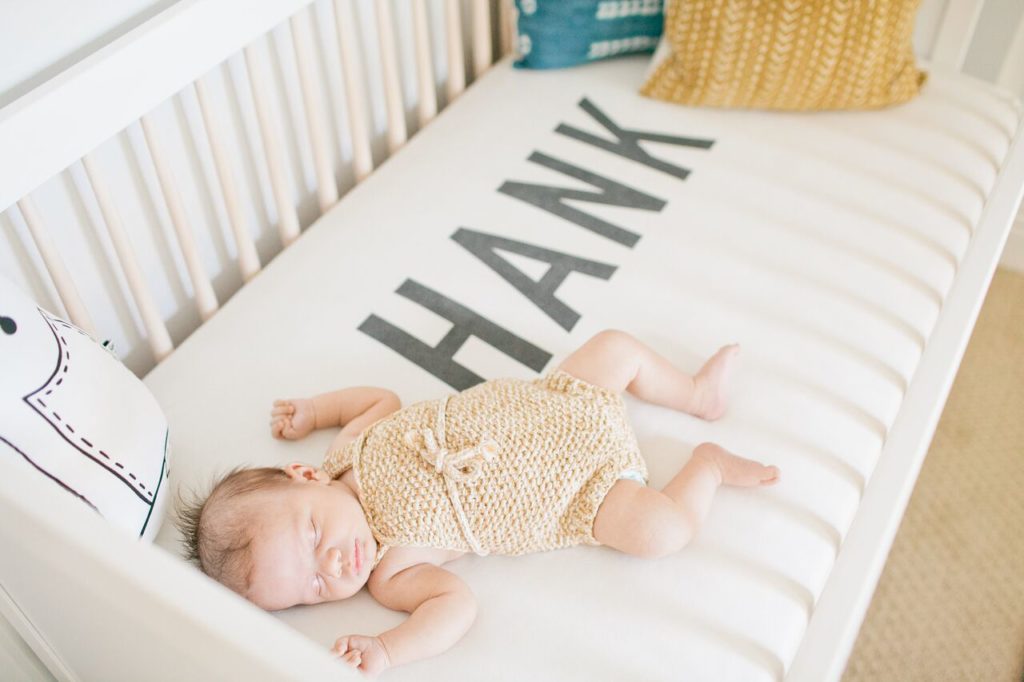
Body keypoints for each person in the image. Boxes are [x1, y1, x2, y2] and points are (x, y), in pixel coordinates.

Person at [177, 329, 780, 677]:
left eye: (313, 537)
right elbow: (455, 606)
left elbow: (378, 398)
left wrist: (317, 410)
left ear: (307, 474)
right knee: (660, 532)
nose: (333, 565)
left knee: (615, 347)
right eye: (312, 587)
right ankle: (708, 466)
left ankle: (696, 393)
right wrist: (388, 649)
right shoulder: (391, 572)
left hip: (561, 402)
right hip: (585, 491)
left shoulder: (350, 451)